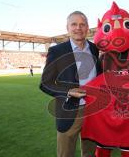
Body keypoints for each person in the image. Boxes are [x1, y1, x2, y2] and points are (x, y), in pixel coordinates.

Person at [39, 11, 102, 157]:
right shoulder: (57, 51)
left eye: (82, 24)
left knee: (90, 152)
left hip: (93, 110)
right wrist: (68, 91)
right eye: (74, 24)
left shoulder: (94, 48)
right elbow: (45, 83)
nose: (78, 28)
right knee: (65, 153)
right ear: (67, 28)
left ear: (87, 28)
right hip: (69, 110)